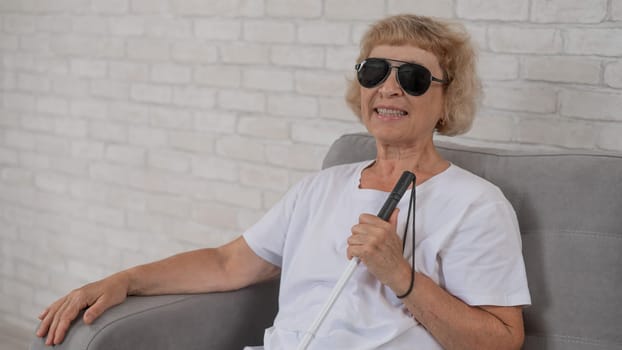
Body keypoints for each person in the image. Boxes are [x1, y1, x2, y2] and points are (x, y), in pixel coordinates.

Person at [36, 14, 531, 349]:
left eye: (415, 77)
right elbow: (228, 263)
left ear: (448, 100)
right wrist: (125, 280)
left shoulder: (475, 204)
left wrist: (399, 275)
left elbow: (502, 340)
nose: (389, 87)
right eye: (375, 70)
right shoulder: (321, 187)